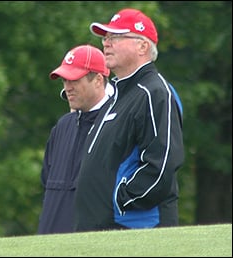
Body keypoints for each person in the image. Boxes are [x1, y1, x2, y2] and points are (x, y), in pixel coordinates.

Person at [73, 8, 184, 232]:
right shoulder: (117, 95)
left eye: (116, 37)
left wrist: (119, 200)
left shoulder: (154, 92)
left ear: (142, 46)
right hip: (99, 229)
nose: (106, 43)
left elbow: (161, 165)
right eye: (105, 38)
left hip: (134, 229)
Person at [37, 44, 113, 234]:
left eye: (74, 80)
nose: (67, 87)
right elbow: (46, 179)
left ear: (97, 80)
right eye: (64, 80)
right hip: (48, 240)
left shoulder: (116, 126)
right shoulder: (63, 126)